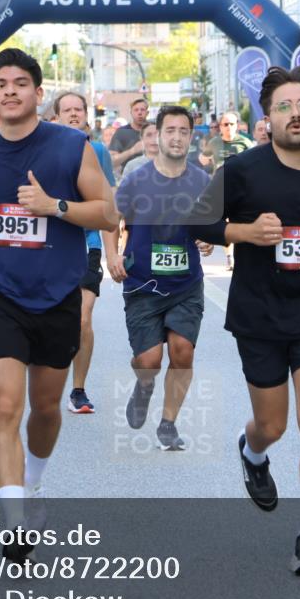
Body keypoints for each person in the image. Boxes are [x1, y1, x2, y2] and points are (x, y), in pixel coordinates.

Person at [0, 49, 115, 564]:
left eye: (20, 83)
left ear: (37, 93)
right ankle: (13, 521)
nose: (10, 91)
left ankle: (32, 483)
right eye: (1, 84)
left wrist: (53, 207)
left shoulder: (72, 146)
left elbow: (108, 212)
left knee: (47, 407)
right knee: (6, 405)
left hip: (57, 292)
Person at [189, 65, 300, 577]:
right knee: (274, 424)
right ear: (267, 117)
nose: (295, 115)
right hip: (259, 313)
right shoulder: (242, 170)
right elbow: (200, 220)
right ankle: (253, 453)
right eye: (284, 107)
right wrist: (244, 231)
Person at [102, 106, 212, 450]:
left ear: (190, 138)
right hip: (142, 284)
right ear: (158, 136)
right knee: (148, 362)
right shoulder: (136, 179)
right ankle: (144, 385)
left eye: (183, 131)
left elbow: (215, 225)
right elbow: (109, 219)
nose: (177, 137)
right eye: (170, 131)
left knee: (182, 352)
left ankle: (168, 423)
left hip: (186, 284)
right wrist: (112, 255)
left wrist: (211, 238)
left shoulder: (202, 181)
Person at [52, 91, 118, 414]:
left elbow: (110, 206)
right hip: (51, 244)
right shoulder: (44, 149)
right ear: (56, 116)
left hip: (87, 244)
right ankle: (47, 379)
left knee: (82, 317)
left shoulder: (99, 151)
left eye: (79, 109)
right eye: (68, 110)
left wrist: (114, 252)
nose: (74, 114)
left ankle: (78, 390)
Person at [200, 111, 255, 270]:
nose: (229, 127)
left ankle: (241, 255)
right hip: (220, 187)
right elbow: (203, 160)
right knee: (225, 223)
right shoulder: (214, 142)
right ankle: (230, 257)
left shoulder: (245, 143)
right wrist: (213, 166)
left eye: (232, 124)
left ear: (237, 125)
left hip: (242, 188)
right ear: (220, 127)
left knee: (240, 222)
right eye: (225, 124)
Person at [109, 98, 149, 174]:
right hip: (129, 178)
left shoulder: (154, 131)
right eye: (136, 110)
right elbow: (112, 161)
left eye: (142, 110)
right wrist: (132, 151)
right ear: (131, 113)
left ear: (147, 113)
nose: (139, 113)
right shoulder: (122, 132)